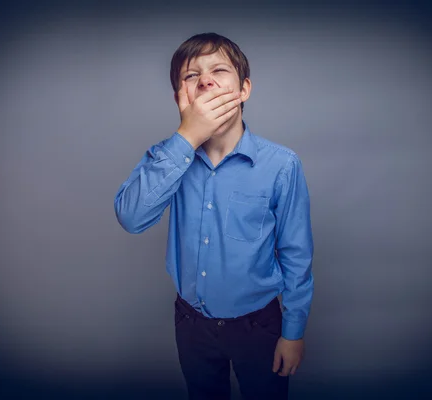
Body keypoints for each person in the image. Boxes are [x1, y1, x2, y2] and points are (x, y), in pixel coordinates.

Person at [114, 32, 314, 399]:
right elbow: (131, 217)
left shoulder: (282, 165)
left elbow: (296, 254)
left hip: (259, 325)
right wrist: (186, 137)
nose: (205, 79)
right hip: (191, 324)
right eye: (191, 76)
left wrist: (294, 332)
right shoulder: (168, 159)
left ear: (244, 89)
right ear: (180, 96)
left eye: (219, 70)